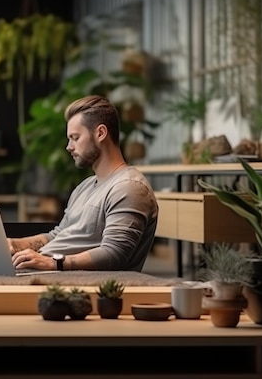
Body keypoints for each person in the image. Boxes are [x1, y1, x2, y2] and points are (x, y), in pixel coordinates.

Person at [9, 95, 159, 272]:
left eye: (75, 137)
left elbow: (115, 254)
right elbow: (58, 235)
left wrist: (52, 262)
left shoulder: (129, 187)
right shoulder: (85, 186)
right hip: (42, 273)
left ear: (101, 133)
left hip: (71, 282)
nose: (69, 147)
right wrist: (14, 244)